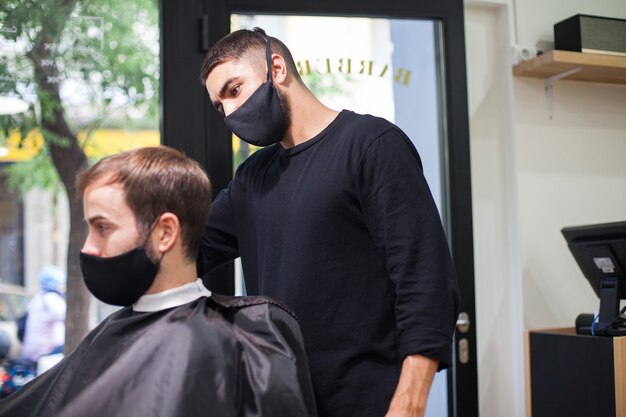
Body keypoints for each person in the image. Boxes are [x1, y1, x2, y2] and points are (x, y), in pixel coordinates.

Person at [198, 28, 461, 417]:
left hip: (369, 402)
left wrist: (409, 402)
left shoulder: (371, 145)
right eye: (220, 106)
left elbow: (426, 281)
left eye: (234, 90)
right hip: (284, 401)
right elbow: (189, 249)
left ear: (277, 68)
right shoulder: (252, 178)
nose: (231, 112)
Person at [0, 146, 317, 417]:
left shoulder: (245, 340)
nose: (88, 248)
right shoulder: (112, 331)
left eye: (103, 228)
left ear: (165, 232)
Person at [20, 265, 66, 364]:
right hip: (43, 353)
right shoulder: (52, 298)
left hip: (30, 352)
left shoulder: (37, 298)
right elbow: (69, 318)